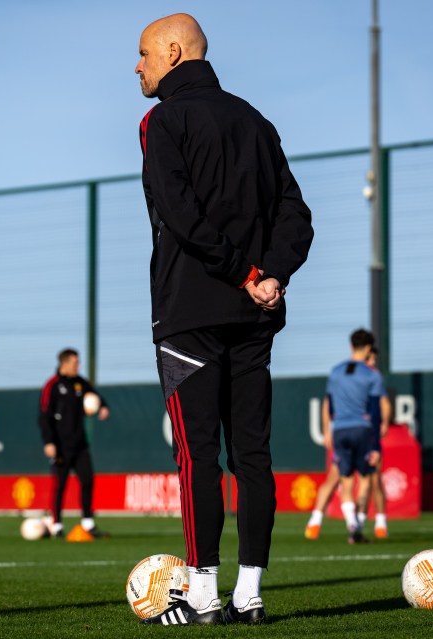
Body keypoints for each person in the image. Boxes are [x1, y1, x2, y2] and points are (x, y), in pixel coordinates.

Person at [135, 14, 314, 626]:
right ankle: (251, 594)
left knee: (198, 457)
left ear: (174, 53)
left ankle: (205, 597)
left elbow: (178, 214)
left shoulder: (163, 120)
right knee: (254, 456)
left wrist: (242, 273)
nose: (137, 66)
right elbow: (298, 214)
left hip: (190, 315)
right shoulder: (257, 121)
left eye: (143, 54)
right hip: (255, 315)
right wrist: (271, 277)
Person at [304, 346, 392, 540]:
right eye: (371, 360)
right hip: (358, 433)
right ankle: (319, 521)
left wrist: (383, 423)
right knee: (344, 477)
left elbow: (383, 405)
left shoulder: (368, 378)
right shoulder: (354, 377)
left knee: (369, 478)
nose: (372, 364)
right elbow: (328, 405)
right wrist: (326, 429)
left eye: (374, 361)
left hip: (354, 433)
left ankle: (372, 522)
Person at [38, 348, 110, 539]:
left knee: (87, 480)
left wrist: (103, 407)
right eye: (75, 363)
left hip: (80, 445)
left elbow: (96, 396)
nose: (78, 366)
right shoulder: (51, 386)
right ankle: (57, 525)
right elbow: (44, 416)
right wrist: (49, 442)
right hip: (60, 446)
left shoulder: (80, 383)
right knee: (60, 485)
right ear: (64, 363)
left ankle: (88, 523)